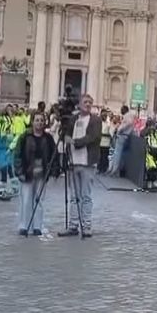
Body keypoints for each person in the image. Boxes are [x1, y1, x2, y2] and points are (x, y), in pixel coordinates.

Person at [59, 94, 101, 238]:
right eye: (85, 102)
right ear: (79, 104)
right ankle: (73, 225)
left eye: (90, 102)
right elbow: (66, 136)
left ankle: (86, 225)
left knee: (86, 196)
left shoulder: (96, 120)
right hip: (73, 162)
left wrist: (74, 142)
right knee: (74, 196)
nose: (88, 104)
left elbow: (92, 137)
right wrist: (65, 137)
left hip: (88, 162)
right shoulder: (73, 119)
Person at [14, 111, 58, 236]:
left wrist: (53, 170)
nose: (39, 123)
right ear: (32, 122)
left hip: (42, 173)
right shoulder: (24, 137)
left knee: (39, 200)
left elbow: (54, 155)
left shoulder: (48, 138)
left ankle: (37, 226)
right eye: (37, 120)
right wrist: (19, 171)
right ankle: (24, 225)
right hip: (27, 172)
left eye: (42, 120)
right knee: (26, 200)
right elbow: (17, 155)